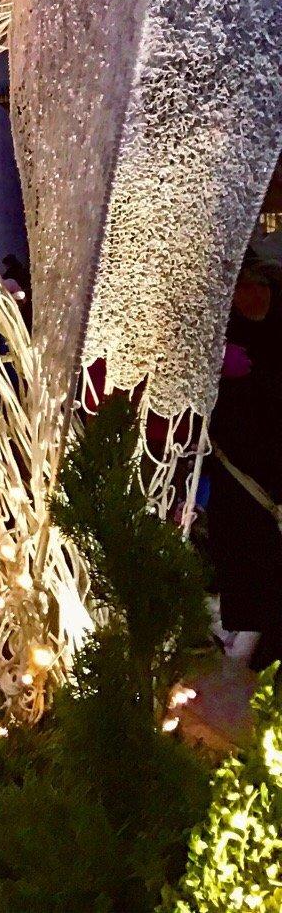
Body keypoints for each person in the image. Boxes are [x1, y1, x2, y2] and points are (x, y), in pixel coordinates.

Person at [208, 251, 282, 669]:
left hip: (271, 455)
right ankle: (262, 641)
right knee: (247, 553)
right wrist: (218, 362)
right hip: (237, 461)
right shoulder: (218, 320)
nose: (241, 298)